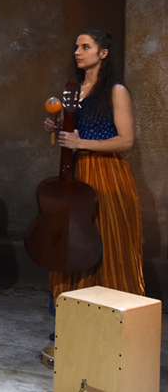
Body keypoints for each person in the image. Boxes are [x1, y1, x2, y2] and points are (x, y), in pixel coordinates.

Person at [43, 29, 144, 300]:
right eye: (77, 47)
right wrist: (57, 127)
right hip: (76, 172)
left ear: (103, 53)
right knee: (74, 238)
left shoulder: (115, 91)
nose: (77, 52)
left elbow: (126, 140)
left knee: (107, 236)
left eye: (86, 47)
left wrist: (81, 142)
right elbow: (74, 131)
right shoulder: (74, 90)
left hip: (106, 173)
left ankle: (111, 307)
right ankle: (74, 306)